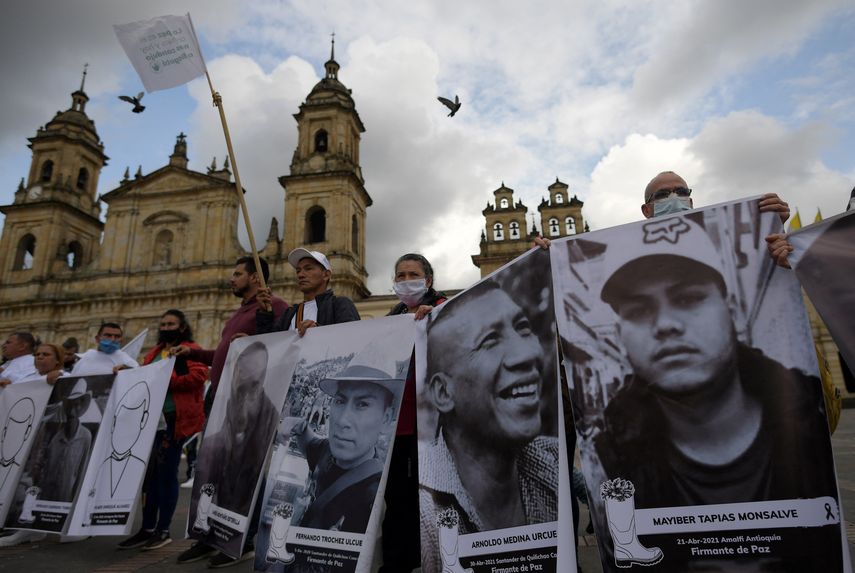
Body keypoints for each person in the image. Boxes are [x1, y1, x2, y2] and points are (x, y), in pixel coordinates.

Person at [593, 216, 840, 570]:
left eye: (689, 298)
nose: (665, 325)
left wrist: (789, 276)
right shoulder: (610, 457)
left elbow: (828, 416)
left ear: (734, 312)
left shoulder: (805, 405)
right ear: (620, 337)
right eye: (638, 309)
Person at [420, 281, 559, 573]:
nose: (527, 355)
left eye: (523, 328)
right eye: (490, 340)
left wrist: (552, 256)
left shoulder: (554, 466)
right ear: (444, 393)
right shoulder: (424, 513)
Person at [173, 257, 286, 567]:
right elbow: (223, 353)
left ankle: (243, 539)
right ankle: (206, 536)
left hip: (249, 404)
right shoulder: (239, 313)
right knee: (213, 472)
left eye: (238, 274)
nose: (231, 279)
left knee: (246, 473)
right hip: (222, 398)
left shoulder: (272, 305)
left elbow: (281, 345)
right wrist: (195, 351)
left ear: (254, 277)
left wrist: (257, 337)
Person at [118, 310, 207, 551]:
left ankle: (163, 529)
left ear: (181, 327)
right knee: (149, 478)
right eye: (163, 324)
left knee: (166, 475)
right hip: (151, 423)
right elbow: (144, 379)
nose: (166, 327)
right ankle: (146, 528)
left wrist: (167, 379)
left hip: (174, 421)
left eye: (172, 324)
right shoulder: (155, 354)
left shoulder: (189, 349)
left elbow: (199, 376)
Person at [380, 254, 446, 573]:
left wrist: (437, 319)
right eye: (401, 275)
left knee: (436, 502)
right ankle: (397, 563)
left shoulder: (445, 307)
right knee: (398, 502)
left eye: (413, 274)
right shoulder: (392, 318)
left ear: (428, 281)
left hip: (434, 429)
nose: (407, 280)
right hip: (398, 429)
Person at [189, 341, 279, 567]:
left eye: (255, 371)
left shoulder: (267, 413)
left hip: (248, 467)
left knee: (253, 485)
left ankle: (241, 542)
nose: (248, 376)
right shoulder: (226, 409)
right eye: (244, 368)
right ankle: (208, 534)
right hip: (223, 456)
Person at [283, 361, 400, 533]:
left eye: (362, 404)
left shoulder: (374, 497)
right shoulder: (327, 452)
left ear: (386, 419)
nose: (343, 420)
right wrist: (296, 425)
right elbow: (308, 441)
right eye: (340, 401)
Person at [256, 248, 359, 336]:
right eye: (298, 271)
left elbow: (352, 339)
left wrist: (318, 331)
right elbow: (270, 345)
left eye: (308, 269)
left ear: (326, 275)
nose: (300, 275)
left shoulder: (340, 305)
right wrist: (264, 313)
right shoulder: (289, 313)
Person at [71, 323, 139, 376]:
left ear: (121, 340)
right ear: (97, 339)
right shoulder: (85, 359)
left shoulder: (125, 360)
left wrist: (127, 370)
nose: (113, 339)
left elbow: (139, 374)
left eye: (117, 336)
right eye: (108, 336)